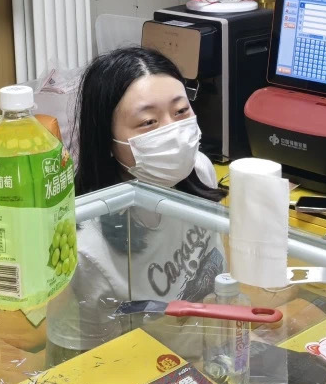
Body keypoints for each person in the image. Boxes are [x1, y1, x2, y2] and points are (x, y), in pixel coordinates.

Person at [47, 46, 227, 362]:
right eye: (148, 122)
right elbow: (84, 365)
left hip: (206, 358)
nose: (173, 131)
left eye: (181, 111)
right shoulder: (86, 245)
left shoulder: (200, 169)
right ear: (106, 139)